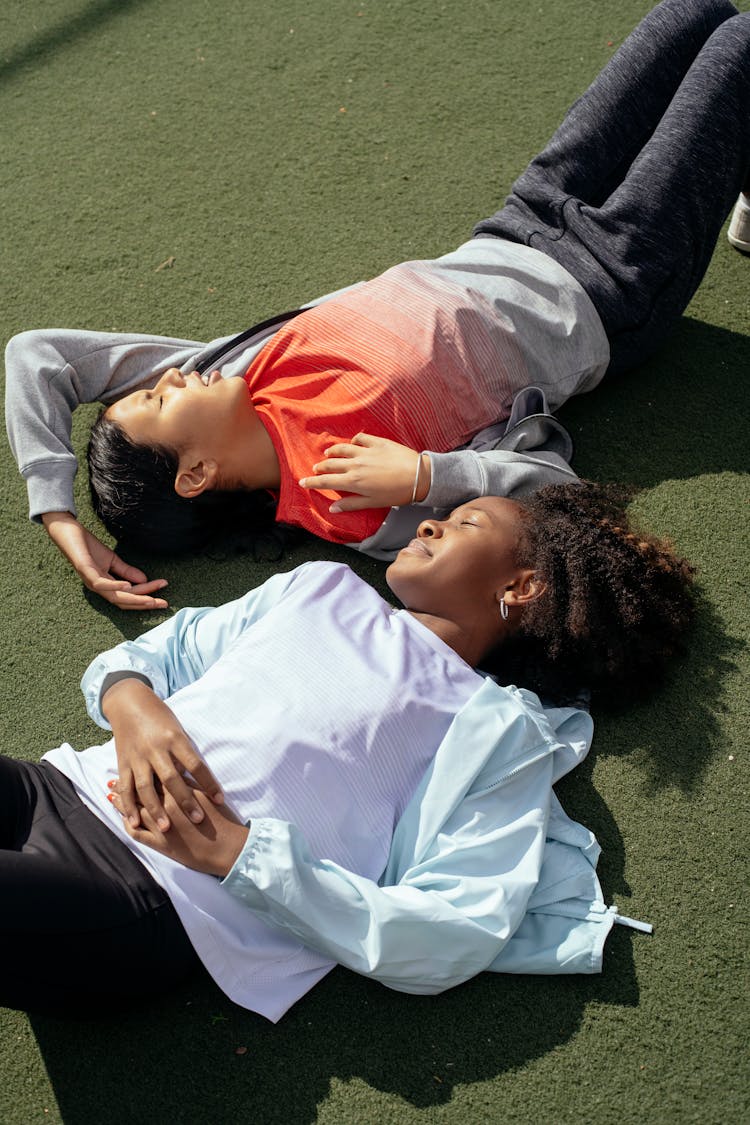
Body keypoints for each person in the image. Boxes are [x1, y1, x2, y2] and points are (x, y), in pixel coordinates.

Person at [5, 0, 748, 613]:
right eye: (158, 401)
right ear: (195, 473)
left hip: (525, 216)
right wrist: (427, 476)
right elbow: (553, 487)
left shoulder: (233, 366)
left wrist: (59, 515)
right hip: (608, 281)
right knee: (738, 50)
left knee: (688, 16)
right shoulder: (353, 501)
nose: (170, 376)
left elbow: (37, 354)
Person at [0, 483, 694, 1017]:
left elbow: (454, 928)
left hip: (153, 898)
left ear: (519, 587)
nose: (429, 522)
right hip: (54, 788)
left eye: (464, 522)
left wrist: (240, 856)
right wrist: (135, 710)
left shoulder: (494, 729)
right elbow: (159, 653)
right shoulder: (319, 587)